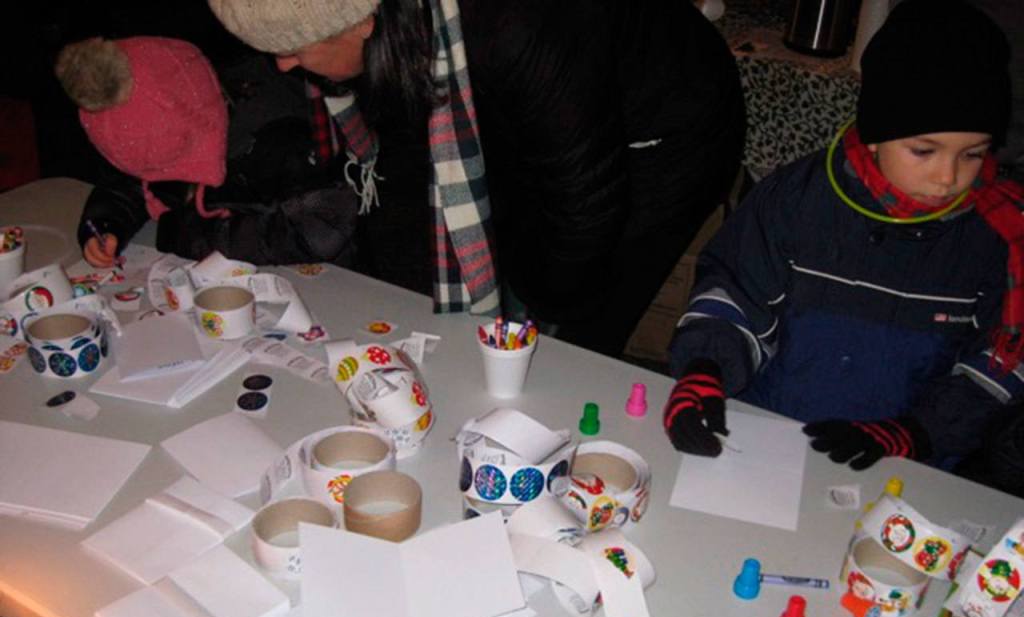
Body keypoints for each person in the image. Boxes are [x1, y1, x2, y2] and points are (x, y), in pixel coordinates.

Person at [205, 0, 745, 354]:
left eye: (292, 51)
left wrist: (532, 329)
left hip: (666, 129)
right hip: (540, 104)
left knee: (574, 319)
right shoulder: (403, 26)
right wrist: (412, 309)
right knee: (499, 253)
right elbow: (412, 164)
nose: (280, 68)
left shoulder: (516, 22)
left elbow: (584, 203)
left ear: (363, 21)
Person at [663, 0, 1024, 474]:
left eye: (973, 154)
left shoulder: (999, 235)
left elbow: (1000, 362)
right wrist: (705, 368)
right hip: (771, 432)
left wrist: (916, 432)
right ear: (874, 134)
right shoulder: (797, 197)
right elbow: (736, 288)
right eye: (924, 150)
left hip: (900, 457)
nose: (947, 177)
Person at [55, 36, 359, 267]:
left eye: (162, 166)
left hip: (328, 280)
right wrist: (106, 225)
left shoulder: (277, 139)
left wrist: (193, 236)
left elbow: (322, 228)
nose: (153, 177)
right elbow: (126, 186)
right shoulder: (155, 141)